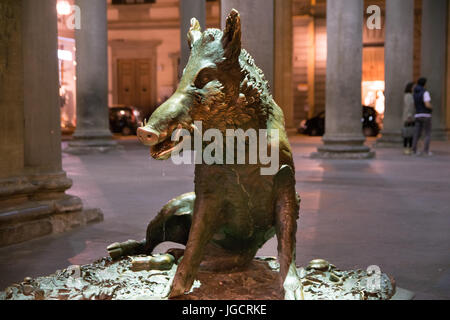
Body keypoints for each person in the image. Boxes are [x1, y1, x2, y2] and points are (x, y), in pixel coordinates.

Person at [412, 77, 433, 156]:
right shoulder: (425, 92)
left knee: (417, 133)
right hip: (426, 114)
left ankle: (414, 150)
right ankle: (426, 151)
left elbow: (414, 104)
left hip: (418, 114)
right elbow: (427, 104)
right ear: (424, 84)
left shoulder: (415, 93)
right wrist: (431, 107)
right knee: (427, 133)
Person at [401, 82, 415, 155]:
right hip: (409, 117)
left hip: (409, 116)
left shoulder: (409, 95)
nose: (414, 88)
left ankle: (408, 148)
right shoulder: (408, 96)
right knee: (408, 133)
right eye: (413, 87)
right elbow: (408, 107)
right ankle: (407, 148)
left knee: (409, 133)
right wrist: (409, 116)